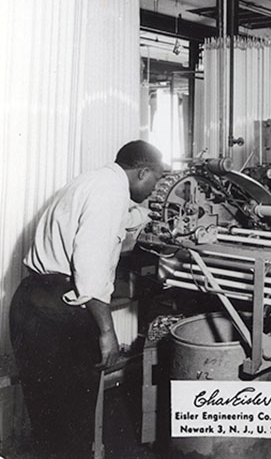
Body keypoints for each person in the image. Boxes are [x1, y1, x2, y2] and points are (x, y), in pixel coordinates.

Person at [10, 140, 163, 458]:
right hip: (60, 308)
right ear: (142, 171)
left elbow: (120, 224)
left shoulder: (96, 181)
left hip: (32, 301)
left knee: (48, 418)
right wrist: (107, 331)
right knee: (73, 421)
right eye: (156, 180)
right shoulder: (109, 194)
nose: (156, 188)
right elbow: (90, 267)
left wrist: (148, 219)